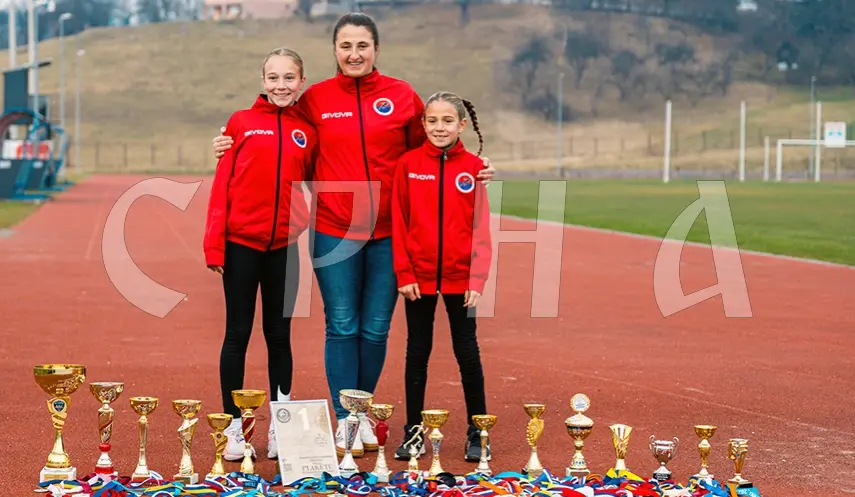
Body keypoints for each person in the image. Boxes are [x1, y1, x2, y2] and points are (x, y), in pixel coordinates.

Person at [210, 12, 496, 457]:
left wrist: (473, 169)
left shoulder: (402, 97)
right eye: (346, 46)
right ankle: (346, 419)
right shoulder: (316, 99)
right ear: (335, 51)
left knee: (376, 328)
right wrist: (229, 140)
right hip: (333, 230)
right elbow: (277, 125)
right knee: (342, 326)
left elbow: (429, 153)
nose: (354, 54)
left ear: (376, 49)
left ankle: (362, 414)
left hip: (388, 233)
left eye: (362, 45)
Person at [203, 47, 316, 462]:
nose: (281, 85)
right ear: (262, 81)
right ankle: (234, 428)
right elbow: (222, 186)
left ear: (301, 82)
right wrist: (214, 243)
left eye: (289, 78)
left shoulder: (308, 129)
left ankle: (279, 429)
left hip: (284, 250)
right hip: (240, 247)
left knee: (280, 337)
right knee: (237, 335)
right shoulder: (241, 123)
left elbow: (325, 173)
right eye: (273, 77)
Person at [390, 91, 492, 462]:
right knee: (417, 352)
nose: (439, 127)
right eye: (432, 120)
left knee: (467, 352)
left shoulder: (474, 168)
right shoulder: (407, 165)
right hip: (417, 280)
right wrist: (404, 272)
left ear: (461, 125)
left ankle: (478, 432)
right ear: (423, 124)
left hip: (460, 281)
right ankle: (413, 432)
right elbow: (399, 223)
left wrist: (477, 278)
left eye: (447, 121)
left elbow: (481, 227)